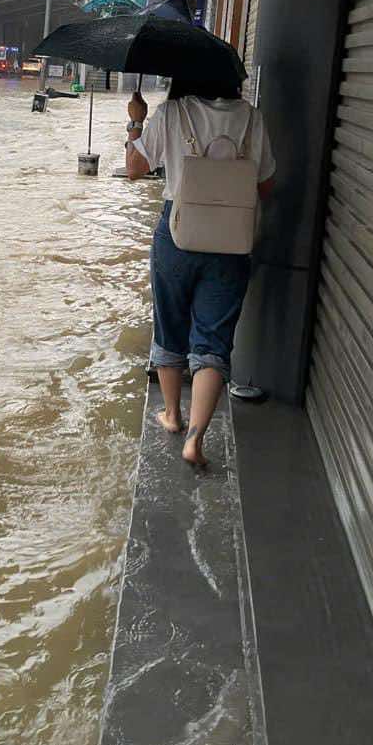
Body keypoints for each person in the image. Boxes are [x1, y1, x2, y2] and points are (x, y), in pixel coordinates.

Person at [125, 81, 276, 469]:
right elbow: (266, 184)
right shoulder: (251, 118)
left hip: (177, 232)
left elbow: (134, 170)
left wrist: (135, 123)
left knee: (170, 323)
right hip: (231, 237)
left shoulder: (172, 114)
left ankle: (172, 415)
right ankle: (195, 438)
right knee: (213, 338)